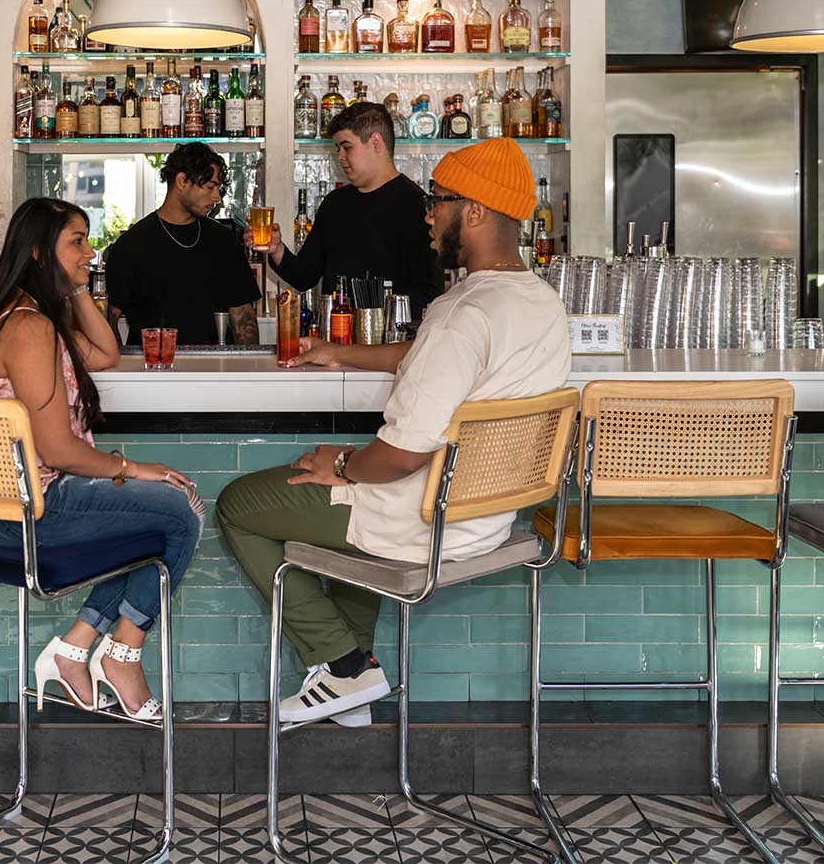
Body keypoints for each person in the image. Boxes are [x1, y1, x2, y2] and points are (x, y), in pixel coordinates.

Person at [217, 138, 571, 726]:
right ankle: (348, 684)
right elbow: (429, 357)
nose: (427, 214)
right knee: (351, 512)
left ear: (476, 212)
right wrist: (344, 351)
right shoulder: (540, 303)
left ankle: (344, 664)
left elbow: (402, 455)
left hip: (425, 522)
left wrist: (344, 464)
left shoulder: (461, 313)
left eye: (437, 200)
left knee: (238, 504)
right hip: (487, 520)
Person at [0, 198, 205, 721]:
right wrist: (131, 467)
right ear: (36, 251)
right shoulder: (27, 328)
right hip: (27, 507)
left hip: (27, 499)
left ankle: (76, 649)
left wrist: (74, 284)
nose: (91, 252)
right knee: (178, 514)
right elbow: (57, 451)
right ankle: (120, 655)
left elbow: (107, 352)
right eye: (77, 241)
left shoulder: (33, 316)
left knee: (164, 516)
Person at [247, 102, 443, 320]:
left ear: (376, 142)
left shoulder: (415, 205)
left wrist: (379, 323)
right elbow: (304, 276)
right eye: (337, 149)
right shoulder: (335, 204)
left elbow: (430, 293)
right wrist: (276, 249)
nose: (340, 156)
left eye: (347, 147)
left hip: (391, 348)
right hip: (334, 344)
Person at [105, 141, 262, 345]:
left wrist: (247, 370)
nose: (217, 197)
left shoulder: (223, 241)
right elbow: (108, 319)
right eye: (210, 187)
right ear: (181, 181)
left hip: (217, 368)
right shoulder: (132, 244)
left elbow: (243, 318)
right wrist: (122, 368)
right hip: (152, 370)